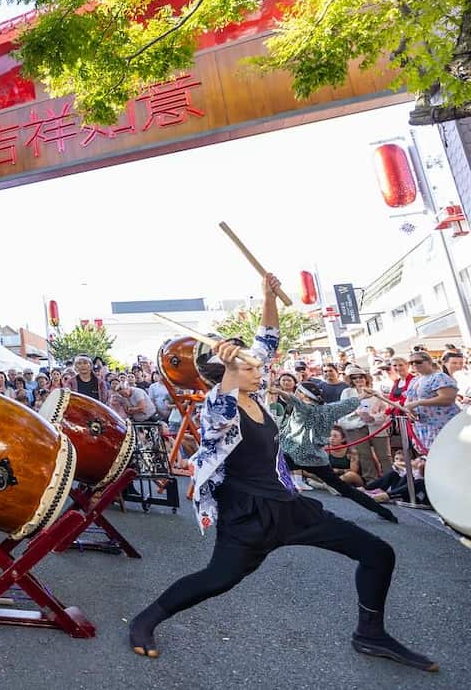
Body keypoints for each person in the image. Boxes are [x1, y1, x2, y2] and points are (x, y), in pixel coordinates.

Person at [127, 274, 435, 672]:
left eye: (256, 366)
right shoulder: (217, 408)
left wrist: (267, 296)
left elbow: (267, 341)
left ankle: (370, 634)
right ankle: (144, 620)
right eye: (249, 367)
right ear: (226, 373)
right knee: (216, 579)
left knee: (378, 553)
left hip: (290, 506)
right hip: (248, 517)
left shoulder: (254, 393)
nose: (261, 370)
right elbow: (221, 400)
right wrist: (228, 369)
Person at [268, 379, 396, 522]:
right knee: (345, 489)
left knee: (266, 477)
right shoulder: (330, 409)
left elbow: (294, 401)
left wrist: (279, 391)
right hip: (316, 458)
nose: (296, 394)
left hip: (292, 453)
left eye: (298, 392)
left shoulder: (304, 408)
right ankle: (384, 512)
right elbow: (347, 404)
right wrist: (362, 397)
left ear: (303, 395)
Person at [339, 365, 392, 484]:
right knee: (364, 456)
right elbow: (342, 409)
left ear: (366, 378)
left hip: (376, 428)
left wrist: (373, 418)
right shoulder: (347, 392)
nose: (358, 380)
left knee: (384, 456)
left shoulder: (375, 392)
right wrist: (357, 413)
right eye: (354, 378)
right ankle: (371, 482)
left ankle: (391, 481)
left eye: (361, 377)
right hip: (355, 428)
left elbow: (386, 411)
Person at [404, 351, 459, 451]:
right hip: (423, 424)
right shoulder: (414, 380)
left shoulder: (439, 377)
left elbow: (447, 398)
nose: (414, 364)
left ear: (429, 362)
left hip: (442, 423)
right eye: (411, 362)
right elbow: (409, 400)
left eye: (418, 362)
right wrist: (410, 410)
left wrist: (419, 403)